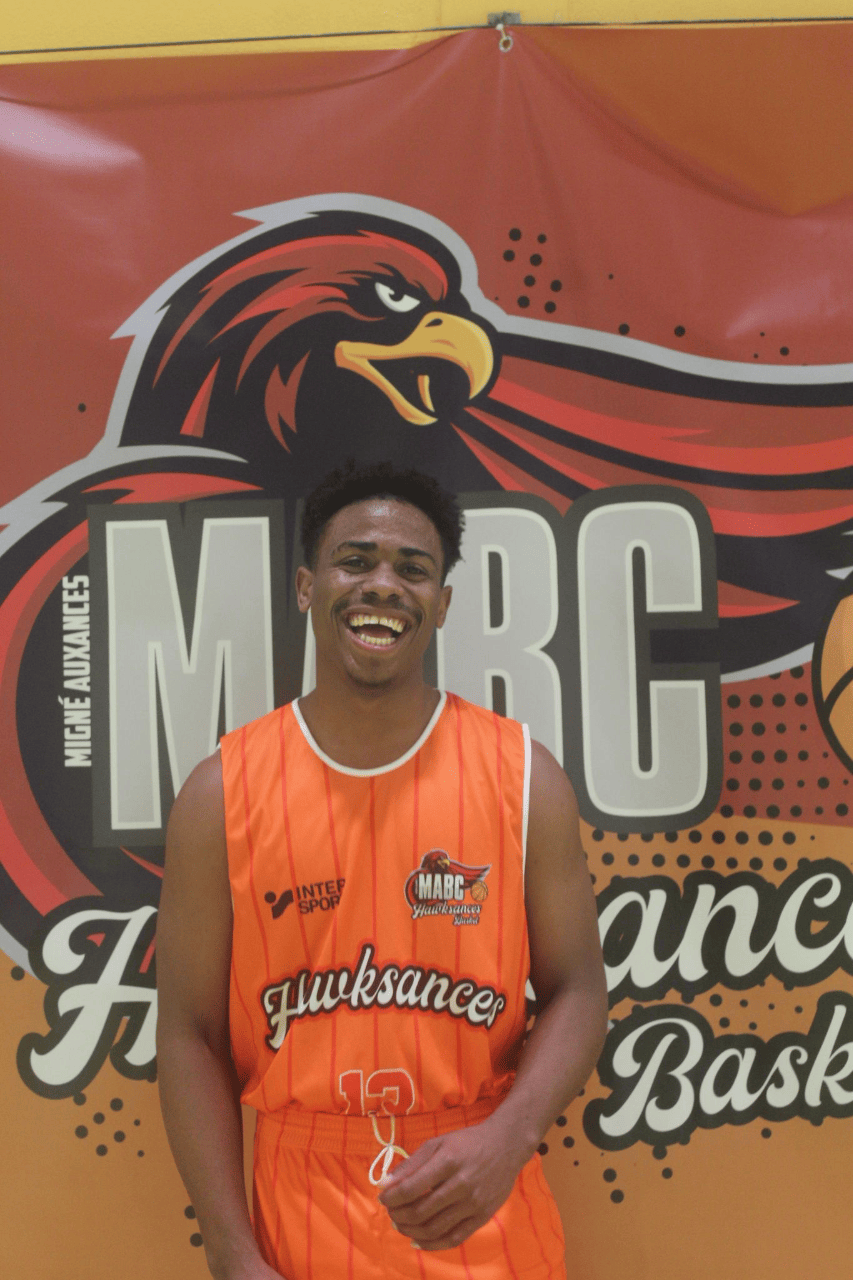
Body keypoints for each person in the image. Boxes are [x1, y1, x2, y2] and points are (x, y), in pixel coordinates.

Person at [156, 460, 608, 1280]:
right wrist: (229, 1250)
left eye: (412, 568)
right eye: (355, 561)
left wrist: (507, 1138)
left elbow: (578, 989)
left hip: (480, 1197)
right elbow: (190, 1035)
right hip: (296, 1213)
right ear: (306, 586)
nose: (382, 585)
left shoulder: (522, 776)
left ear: (442, 602)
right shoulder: (220, 792)